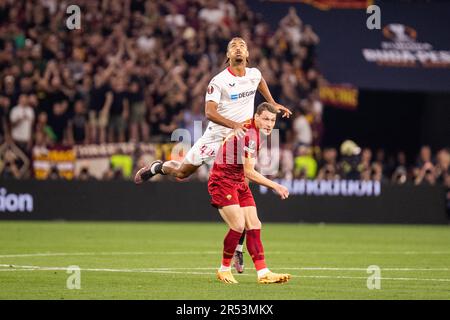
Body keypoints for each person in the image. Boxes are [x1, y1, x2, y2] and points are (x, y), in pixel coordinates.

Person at [134, 37, 291, 273]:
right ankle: (158, 167)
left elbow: (260, 84)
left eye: (242, 45)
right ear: (228, 55)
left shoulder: (254, 74)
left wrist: (273, 103)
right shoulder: (219, 81)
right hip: (217, 136)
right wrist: (233, 125)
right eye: (233, 46)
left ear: (247, 53)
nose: (238, 47)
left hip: (240, 139)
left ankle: (238, 250)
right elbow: (209, 112)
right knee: (182, 172)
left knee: (243, 185)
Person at [210, 102, 290, 284]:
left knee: (254, 224)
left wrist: (277, 105)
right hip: (223, 180)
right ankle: (223, 269)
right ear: (256, 117)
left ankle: (263, 273)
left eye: (273, 120)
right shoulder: (251, 135)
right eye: (266, 119)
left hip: (238, 181)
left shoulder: (253, 129)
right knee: (238, 226)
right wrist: (275, 186)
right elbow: (249, 172)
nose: (270, 124)